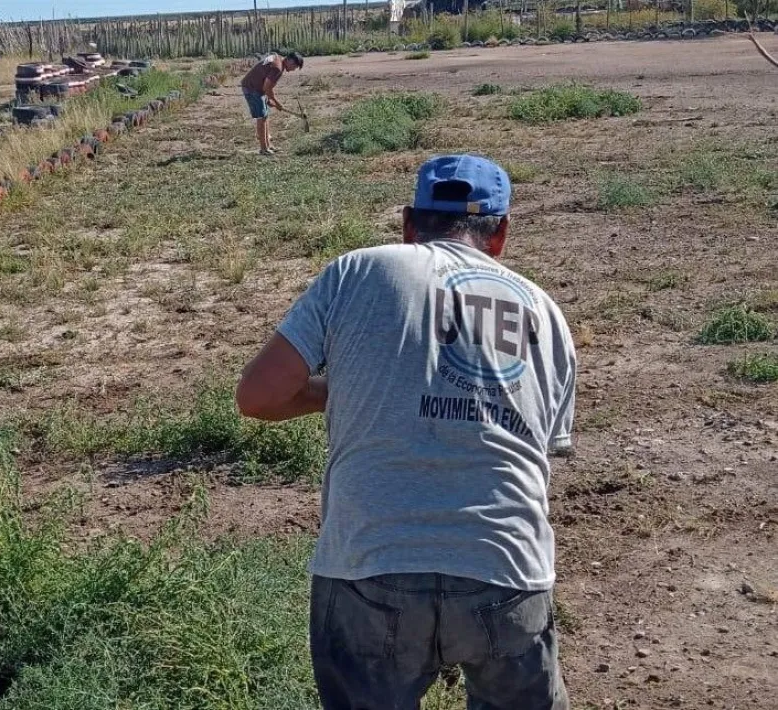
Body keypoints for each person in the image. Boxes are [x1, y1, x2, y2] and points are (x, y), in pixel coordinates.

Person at [236, 154, 577, 710]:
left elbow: (257, 396)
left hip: (372, 564)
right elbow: (537, 446)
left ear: (408, 224)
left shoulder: (358, 271)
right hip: (506, 564)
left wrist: (336, 390)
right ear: (501, 234)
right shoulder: (544, 311)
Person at [240, 51, 304, 156]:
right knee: (261, 117)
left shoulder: (278, 59)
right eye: (295, 67)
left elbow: (265, 85)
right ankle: (263, 149)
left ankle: (268, 145)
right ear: (290, 61)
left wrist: (269, 99)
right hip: (251, 88)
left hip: (258, 88)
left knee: (265, 116)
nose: (293, 70)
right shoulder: (277, 68)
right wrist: (277, 103)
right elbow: (267, 87)